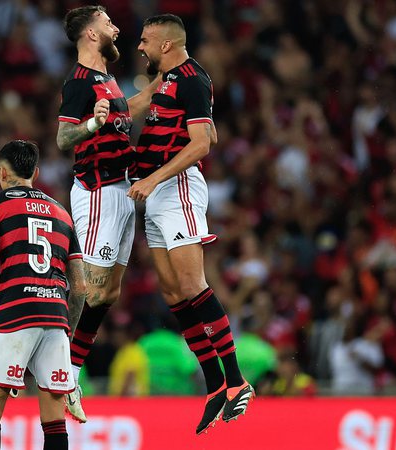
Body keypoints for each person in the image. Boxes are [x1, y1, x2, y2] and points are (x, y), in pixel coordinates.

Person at [127, 14, 253, 434]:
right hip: (157, 189)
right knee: (173, 290)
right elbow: (133, 106)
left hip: (175, 184)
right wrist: (92, 109)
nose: (140, 46)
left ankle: (236, 380)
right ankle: (214, 382)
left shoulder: (193, 79)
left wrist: (152, 178)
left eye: (145, 40)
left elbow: (202, 143)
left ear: (166, 44)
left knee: (193, 283)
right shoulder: (164, 78)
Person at [56, 5, 156, 423]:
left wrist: (157, 89)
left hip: (121, 191)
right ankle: (61, 372)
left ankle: (70, 372)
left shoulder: (106, 80)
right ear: (92, 35)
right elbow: (63, 137)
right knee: (89, 290)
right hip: (98, 192)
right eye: (107, 21)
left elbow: (119, 115)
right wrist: (92, 127)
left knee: (109, 294)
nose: (115, 26)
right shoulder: (79, 82)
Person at [0, 140, 88, 450]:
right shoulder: (62, 214)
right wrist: (67, 331)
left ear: (2, 173)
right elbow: (80, 286)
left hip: (14, 312)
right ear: (35, 172)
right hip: (55, 317)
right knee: (53, 416)